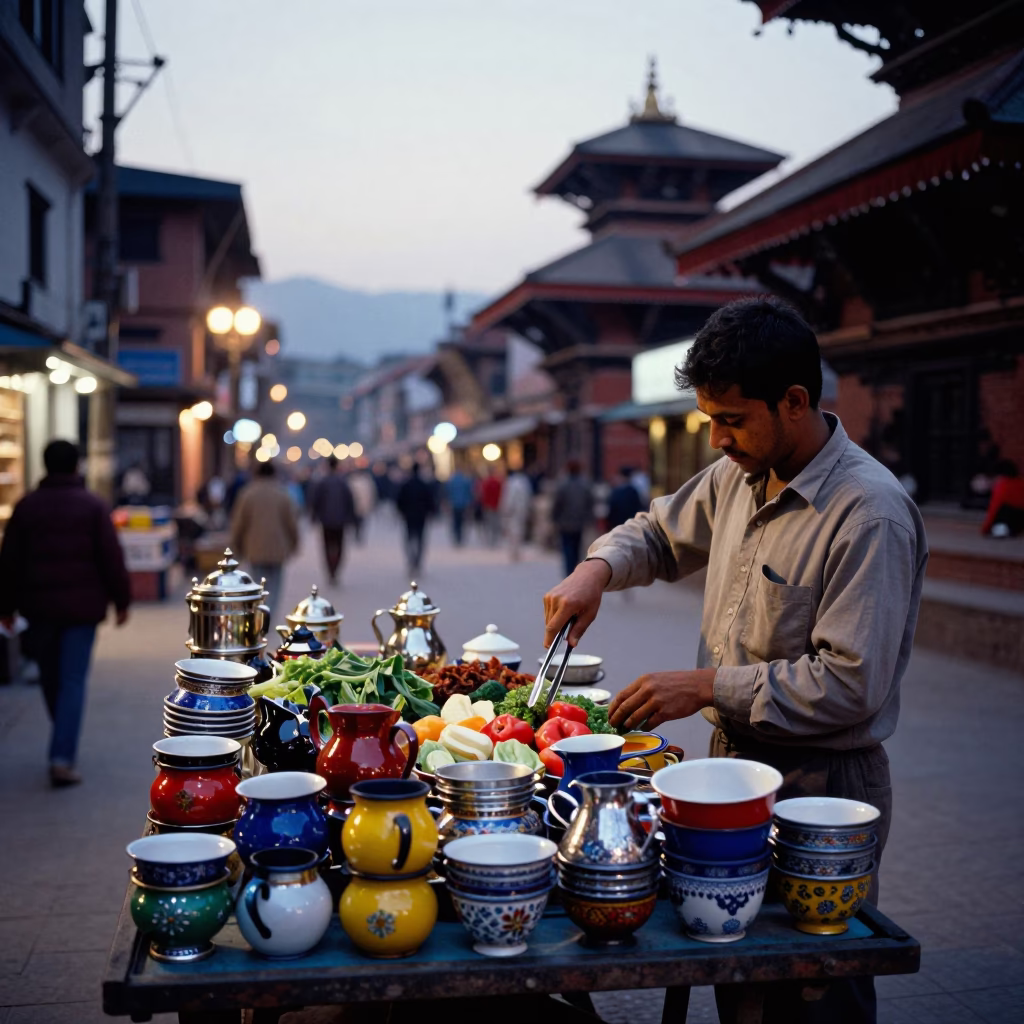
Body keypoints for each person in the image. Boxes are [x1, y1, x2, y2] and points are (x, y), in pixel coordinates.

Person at [543, 298, 928, 1024]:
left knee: (812, 985)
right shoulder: (738, 475)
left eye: (732, 419)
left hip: (821, 785)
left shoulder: (866, 512)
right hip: (736, 767)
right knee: (739, 977)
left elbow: (851, 684)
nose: (717, 438)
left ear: (795, 401)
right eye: (709, 419)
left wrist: (706, 686)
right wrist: (595, 568)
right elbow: (657, 534)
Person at [0, 440, 131, 787]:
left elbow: (8, 562)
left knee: (50, 678)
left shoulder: (27, 507)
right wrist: (122, 601)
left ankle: (62, 743)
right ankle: (62, 751)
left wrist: (6, 608)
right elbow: (111, 558)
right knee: (71, 681)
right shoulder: (92, 506)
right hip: (82, 610)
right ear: (77, 467)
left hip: (38, 609)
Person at [230, 460, 299, 624]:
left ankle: (259, 612)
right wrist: (294, 543)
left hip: (254, 547)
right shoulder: (283, 494)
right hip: (278, 548)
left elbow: (239, 523)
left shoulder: (247, 494)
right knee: (275, 585)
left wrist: (236, 545)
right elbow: (291, 522)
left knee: (256, 583)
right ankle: (269, 614)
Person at [310, 457, 356, 584]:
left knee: (327, 546)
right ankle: (335, 569)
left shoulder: (322, 482)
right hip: (340, 521)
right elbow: (350, 502)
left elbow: (315, 501)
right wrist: (351, 518)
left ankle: (330, 570)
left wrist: (314, 517)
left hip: (326, 520)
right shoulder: (343, 482)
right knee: (339, 546)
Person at [551, 459, 593, 578]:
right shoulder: (585, 485)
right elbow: (590, 503)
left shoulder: (563, 485)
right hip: (579, 522)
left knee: (567, 548)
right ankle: (575, 569)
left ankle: (569, 572)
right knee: (577, 547)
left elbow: (557, 504)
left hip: (565, 523)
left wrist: (554, 518)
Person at [396, 462, 437, 574]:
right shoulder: (423, 484)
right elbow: (430, 500)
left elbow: (399, 501)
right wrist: (431, 512)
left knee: (409, 539)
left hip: (409, 516)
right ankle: (417, 561)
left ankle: (411, 560)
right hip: (421, 516)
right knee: (420, 539)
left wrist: (401, 512)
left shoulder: (406, 485)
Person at [980, 460, 1024, 537]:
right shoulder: (1020, 483)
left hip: (1006, 518)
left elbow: (994, 508)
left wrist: (985, 528)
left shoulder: (1002, 485)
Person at [500, 468, 533, 562]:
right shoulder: (525, 483)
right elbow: (528, 497)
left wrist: (506, 509)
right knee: (519, 532)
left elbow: (509, 498)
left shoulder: (511, 483)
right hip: (522, 510)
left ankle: (514, 552)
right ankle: (517, 551)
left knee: (514, 532)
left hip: (513, 511)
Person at [348, 469, 377, 543]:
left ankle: (358, 533)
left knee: (360, 521)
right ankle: (358, 533)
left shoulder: (354, 481)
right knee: (359, 521)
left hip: (360, 505)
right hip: (359, 505)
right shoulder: (364, 482)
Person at [446, 466, 474, 546]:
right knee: (462, 521)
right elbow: (469, 493)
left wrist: (448, 503)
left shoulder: (452, 481)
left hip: (454, 504)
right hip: (463, 504)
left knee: (455, 521)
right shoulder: (465, 480)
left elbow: (448, 493)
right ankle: (460, 536)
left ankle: (457, 535)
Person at [479, 468, 503, 546]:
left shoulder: (486, 483)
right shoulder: (497, 482)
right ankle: (494, 539)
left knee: (488, 523)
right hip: (496, 505)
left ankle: (489, 539)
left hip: (488, 506)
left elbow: (483, 495)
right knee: (495, 523)